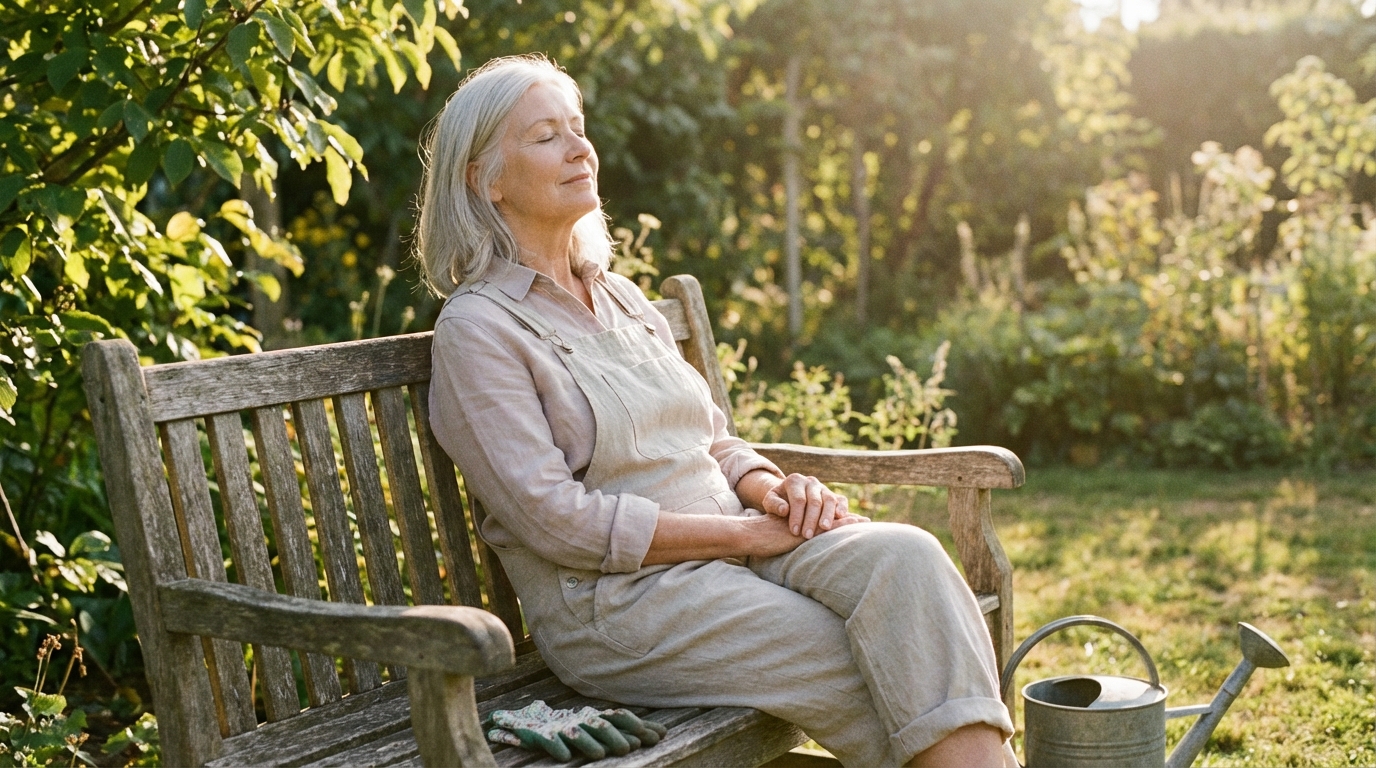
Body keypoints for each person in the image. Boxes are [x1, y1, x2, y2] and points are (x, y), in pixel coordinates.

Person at [417, 53, 1015, 768]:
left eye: (578, 128)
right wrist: (747, 539)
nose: (580, 148)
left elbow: (715, 443)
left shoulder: (619, 297)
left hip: (737, 547)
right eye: (546, 136)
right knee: (874, 652)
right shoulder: (479, 329)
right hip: (620, 605)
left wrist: (778, 493)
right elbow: (557, 520)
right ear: (483, 179)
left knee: (908, 559)